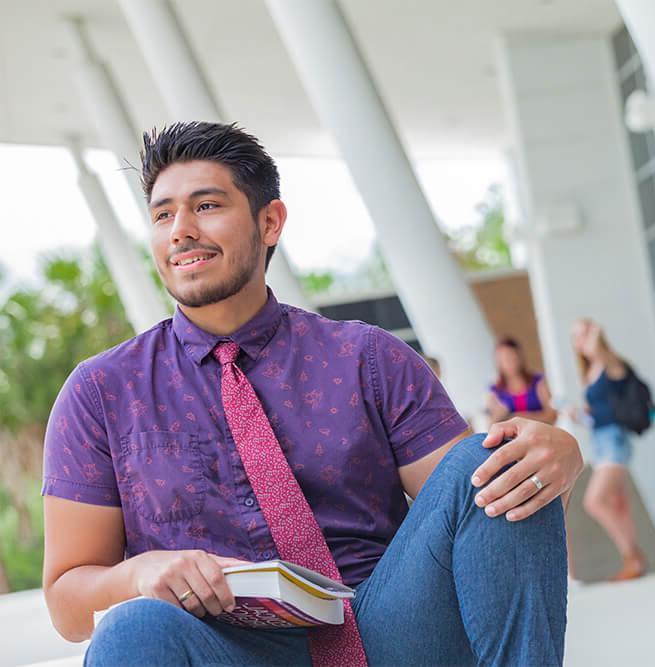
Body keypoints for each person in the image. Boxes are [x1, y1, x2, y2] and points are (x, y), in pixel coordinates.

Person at [41, 121, 583, 667]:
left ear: (270, 221)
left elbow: (484, 504)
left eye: (206, 206)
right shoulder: (102, 392)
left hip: (388, 626)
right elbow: (67, 604)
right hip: (222, 646)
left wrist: (557, 453)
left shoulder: (368, 358)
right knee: (135, 627)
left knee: (494, 459)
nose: (179, 230)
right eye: (162, 215)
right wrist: (141, 571)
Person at [569, 318, 646, 581]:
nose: (580, 341)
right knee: (617, 503)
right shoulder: (590, 372)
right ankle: (633, 561)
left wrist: (594, 335)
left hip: (614, 440)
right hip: (599, 441)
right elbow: (601, 410)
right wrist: (581, 415)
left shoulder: (610, 363)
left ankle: (632, 557)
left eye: (584, 335)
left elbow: (598, 353)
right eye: (576, 337)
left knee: (595, 500)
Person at [485, 337, 557, 425]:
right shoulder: (494, 390)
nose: (508, 361)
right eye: (503, 358)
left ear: (519, 356)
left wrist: (518, 417)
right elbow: (490, 426)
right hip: (512, 438)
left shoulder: (538, 382)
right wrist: (498, 415)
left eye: (511, 356)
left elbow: (552, 416)